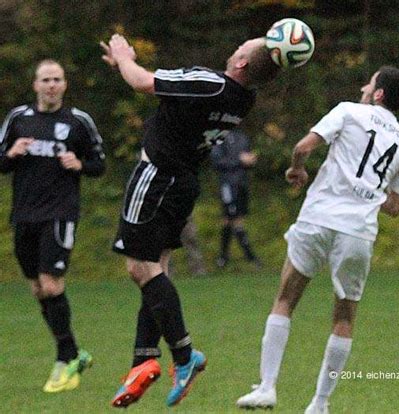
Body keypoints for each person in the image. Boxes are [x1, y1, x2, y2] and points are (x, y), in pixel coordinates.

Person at [100, 33, 279, 408]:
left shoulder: (210, 83)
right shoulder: (246, 97)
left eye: (244, 45)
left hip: (156, 177)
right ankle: (142, 358)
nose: (237, 44)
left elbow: (142, 82)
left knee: (140, 267)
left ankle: (184, 357)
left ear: (243, 61)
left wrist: (123, 56)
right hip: (184, 183)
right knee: (158, 268)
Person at [236, 66, 399, 413]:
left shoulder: (349, 110)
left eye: (371, 82)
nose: (364, 86)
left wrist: (297, 169)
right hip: (358, 232)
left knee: (286, 298)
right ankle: (319, 404)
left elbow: (303, 147)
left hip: (318, 218)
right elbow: (395, 207)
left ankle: (268, 388)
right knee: (344, 318)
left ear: (378, 94)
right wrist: (368, 195)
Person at [0, 59, 105, 393]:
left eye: (57, 79)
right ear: (35, 85)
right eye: (45, 79)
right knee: (37, 288)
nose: (51, 85)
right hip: (24, 215)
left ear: (64, 85)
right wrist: (12, 154)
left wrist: (80, 164)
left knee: (51, 282)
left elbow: (99, 164)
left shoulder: (78, 122)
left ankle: (65, 357)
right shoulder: (18, 119)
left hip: (60, 213)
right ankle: (73, 352)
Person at [211, 129, 260, 268]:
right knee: (231, 217)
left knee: (235, 219)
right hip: (228, 184)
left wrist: (251, 160)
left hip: (242, 184)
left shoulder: (242, 136)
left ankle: (224, 258)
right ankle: (248, 257)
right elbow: (217, 162)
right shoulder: (219, 136)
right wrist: (239, 160)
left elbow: (247, 158)